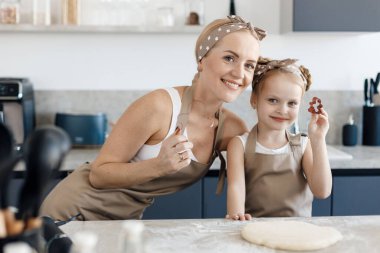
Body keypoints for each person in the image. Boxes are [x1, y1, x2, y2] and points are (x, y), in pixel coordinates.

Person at [40, 15, 266, 221]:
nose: (239, 73)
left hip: (123, 221)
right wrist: (159, 166)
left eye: (249, 65)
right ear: (202, 60)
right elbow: (99, 174)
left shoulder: (232, 128)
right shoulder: (160, 106)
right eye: (229, 58)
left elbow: (272, 160)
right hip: (74, 212)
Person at [225, 57, 332, 220]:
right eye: (273, 100)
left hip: (298, 232)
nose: (282, 110)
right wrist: (237, 219)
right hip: (255, 231)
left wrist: (318, 140)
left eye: (292, 103)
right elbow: (236, 188)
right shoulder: (239, 145)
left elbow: (322, 191)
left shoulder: (303, 145)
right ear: (254, 99)